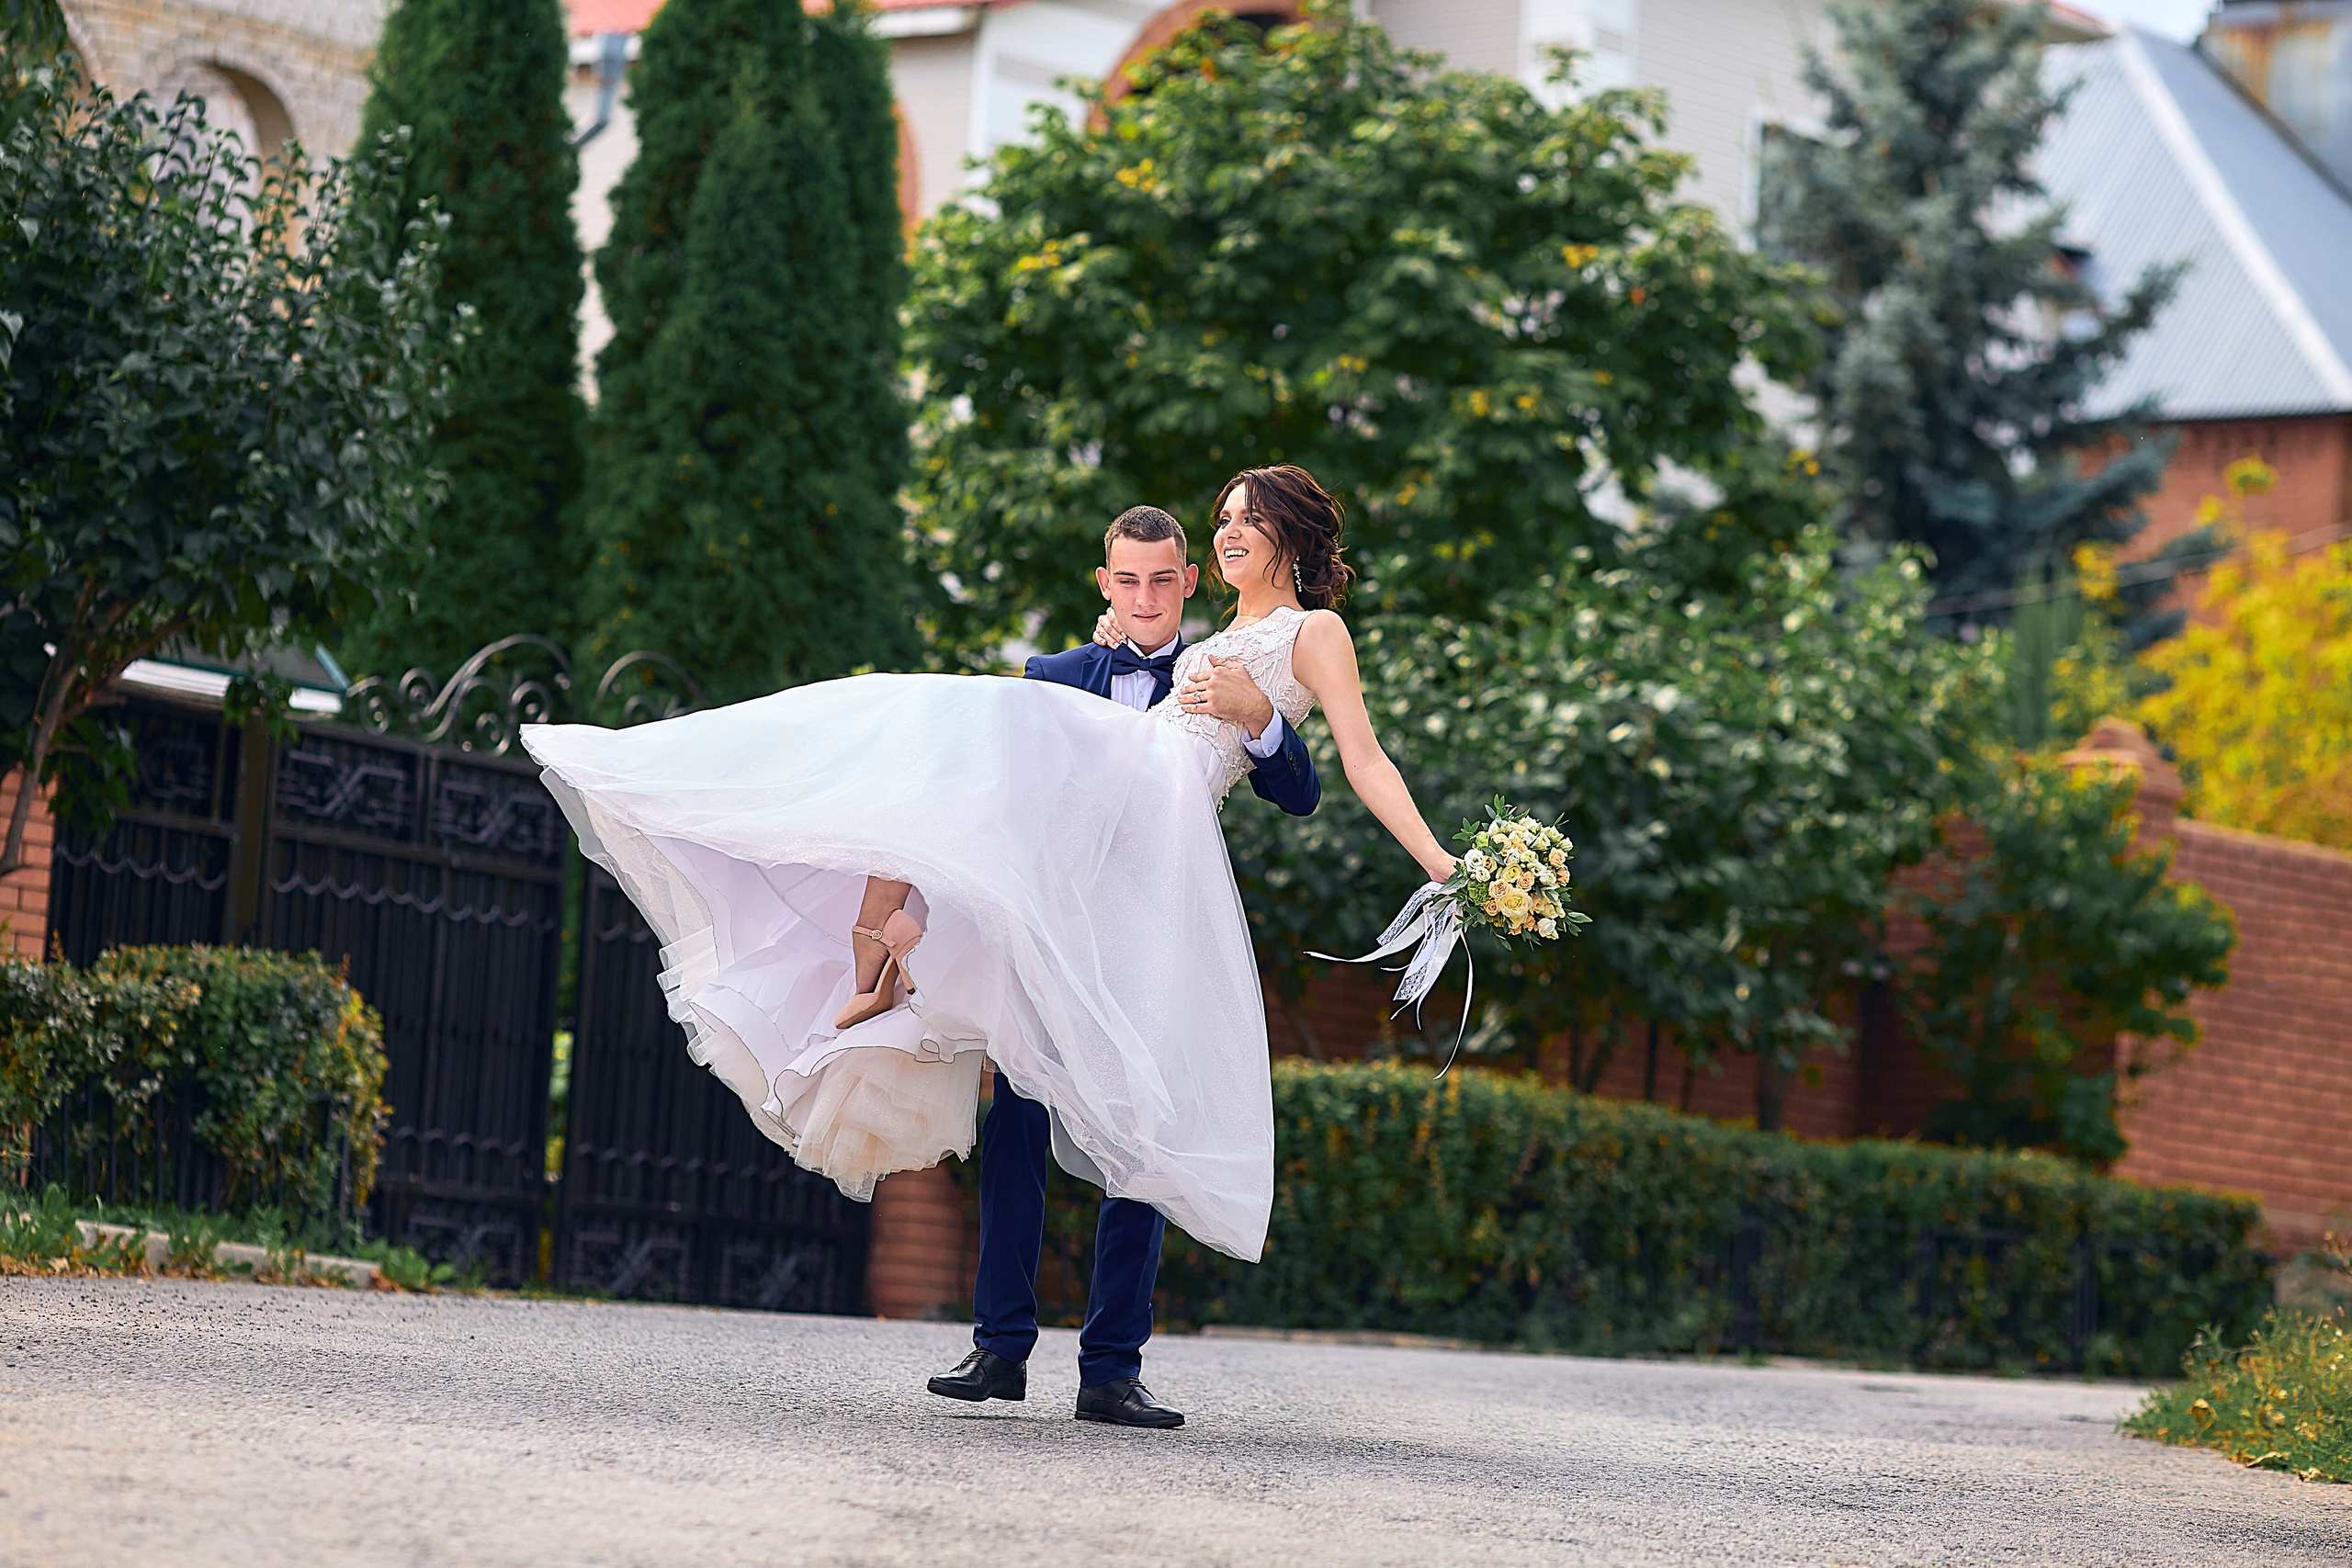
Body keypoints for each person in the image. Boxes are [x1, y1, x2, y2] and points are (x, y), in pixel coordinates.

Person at [519, 463, 1458, 1425]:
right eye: (1221, 520)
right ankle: (997, 1342)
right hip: (1064, 865)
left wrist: (1428, 853)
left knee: (1136, 1116)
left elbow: (1356, 757)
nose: (1228, 535)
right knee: (1014, 1084)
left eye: (1246, 522)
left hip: (1147, 888)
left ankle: (1109, 1370)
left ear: (1291, 536)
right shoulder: (1196, 638)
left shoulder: (1312, 634)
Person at [925, 504, 1320, 1429]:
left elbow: (1298, 793)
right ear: (1104, 586)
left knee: (1138, 1138)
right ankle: (998, 1348)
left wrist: (1259, 719)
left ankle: (1110, 1370)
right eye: (1126, 580)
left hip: (1155, 933)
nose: (1144, 597)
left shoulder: (1219, 672)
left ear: (1188, 584)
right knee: (1018, 1121)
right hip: (1056, 925)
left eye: (1162, 579)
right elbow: (1003, 802)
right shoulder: (1051, 677)